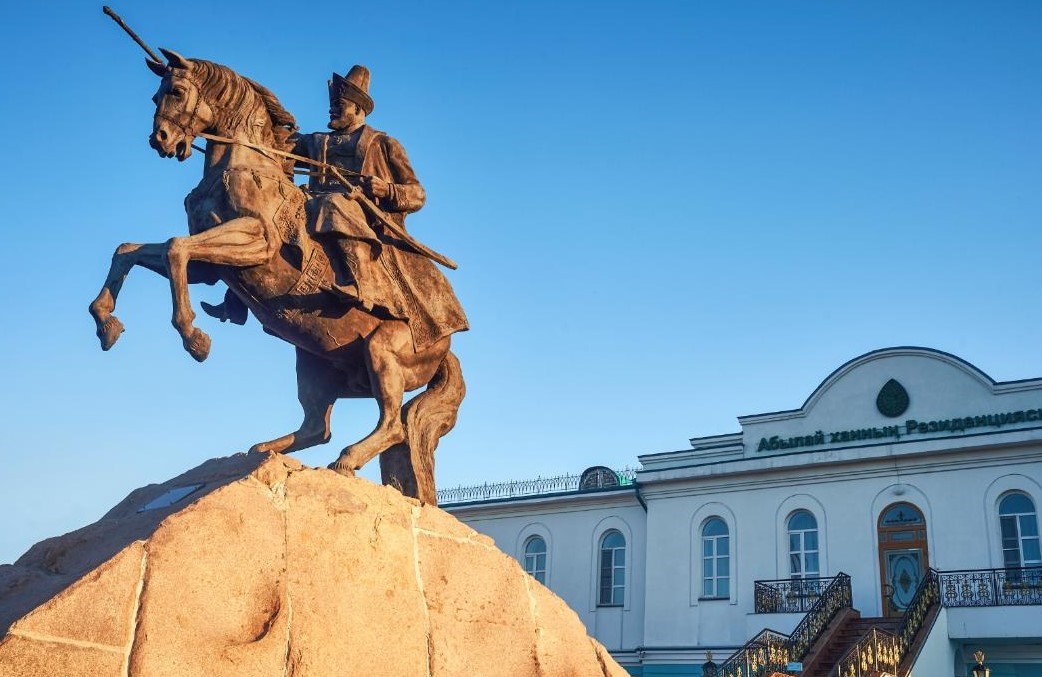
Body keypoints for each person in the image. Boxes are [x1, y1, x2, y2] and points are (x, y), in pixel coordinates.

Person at [204, 65, 467, 350]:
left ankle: (360, 281)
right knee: (268, 221)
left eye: (339, 105)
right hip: (313, 208)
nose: (332, 110)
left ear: (358, 109)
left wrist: (386, 189)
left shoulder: (384, 144)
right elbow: (275, 142)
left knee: (334, 203)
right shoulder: (318, 141)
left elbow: (417, 194)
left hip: (359, 214)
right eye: (332, 105)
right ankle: (238, 299)